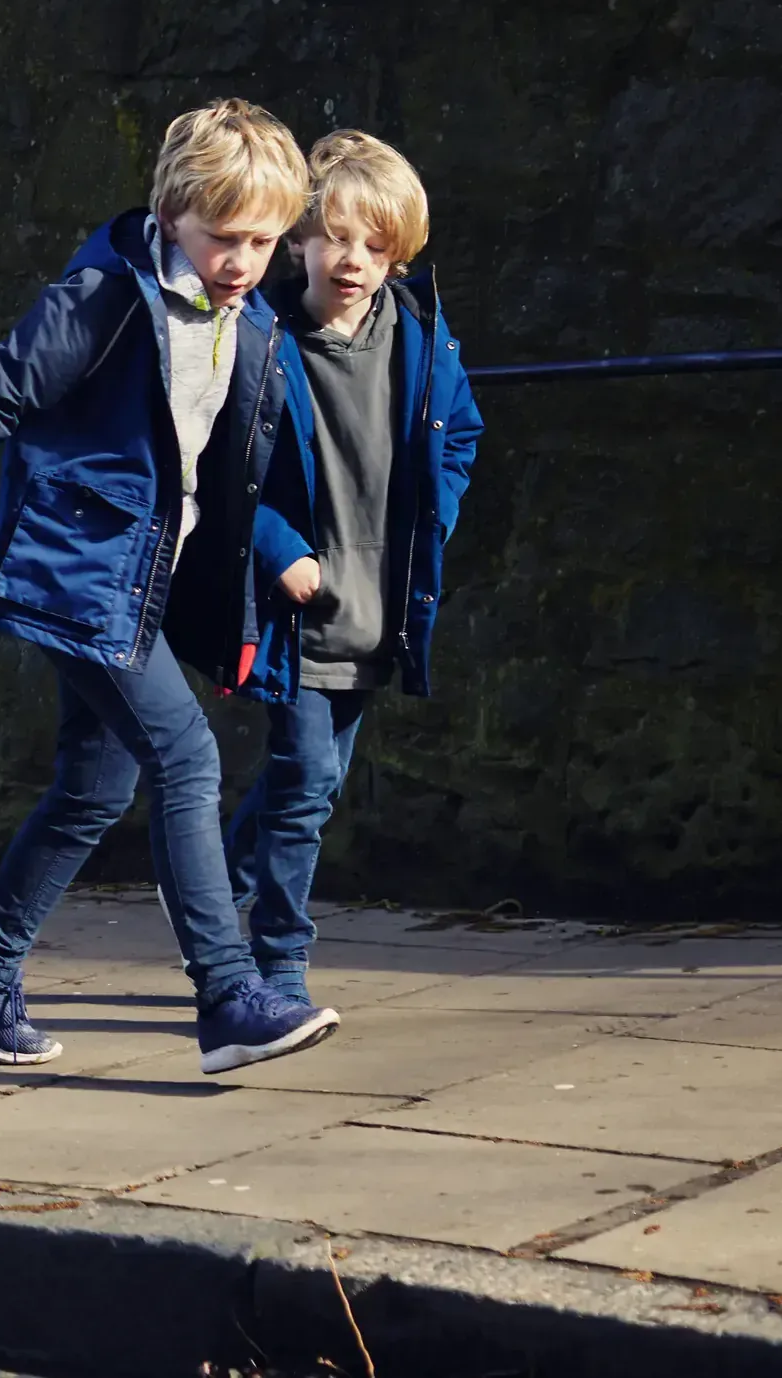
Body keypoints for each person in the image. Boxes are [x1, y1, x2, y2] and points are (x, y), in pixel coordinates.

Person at [0, 99, 340, 1078]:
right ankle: (226, 995)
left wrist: (238, 614)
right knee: (187, 759)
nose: (245, 260)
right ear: (172, 214)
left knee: (95, 785)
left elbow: (225, 484)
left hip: (142, 583)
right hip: (79, 570)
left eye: (263, 241)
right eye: (225, 238)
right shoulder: (103, 297)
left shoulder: (248, 320)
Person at [220, 132, 483, 1011]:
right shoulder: (258, 337)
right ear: (297, 239)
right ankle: (279, 962)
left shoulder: (421, 338)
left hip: (380, 605)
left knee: (317, 781)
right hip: (299, 611)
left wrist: (431, 520)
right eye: (337, 237)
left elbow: (463, 436)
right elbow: (213, 465)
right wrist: (275, 547)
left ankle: (213, 883)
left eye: (379, 247)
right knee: (302, 787)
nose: (356, 260)